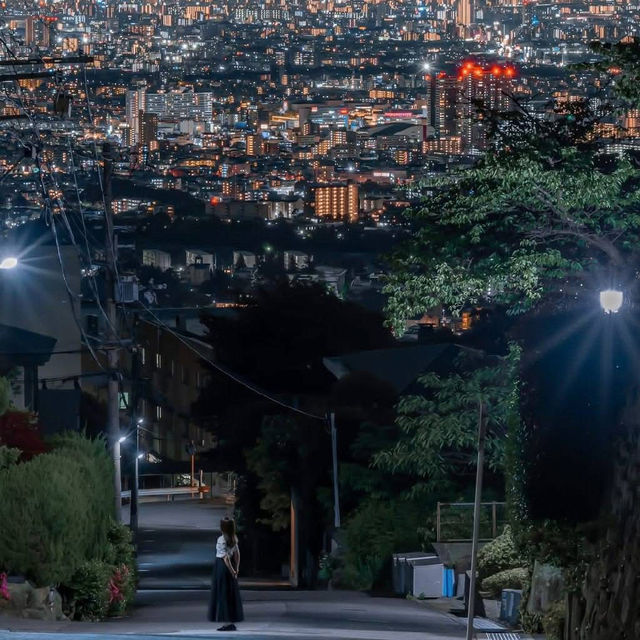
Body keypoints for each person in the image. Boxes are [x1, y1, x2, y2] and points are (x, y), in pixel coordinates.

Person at [208, 516, 244, 631]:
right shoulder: (234, 538)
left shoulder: (221, 539)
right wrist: (236, 569)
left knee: (222, 594)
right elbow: (237, 554)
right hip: (230, 567)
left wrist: (232, 570)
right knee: (230, 594)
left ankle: (227, 623)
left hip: (222, 568)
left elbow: (225, 558)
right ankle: (231, 621)